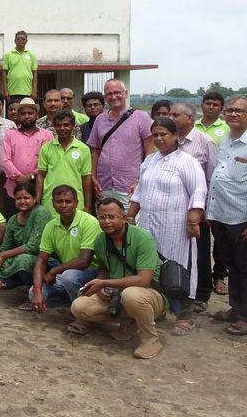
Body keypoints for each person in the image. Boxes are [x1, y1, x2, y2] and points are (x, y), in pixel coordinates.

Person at [127, 117, 206, 336]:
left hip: (176, 227)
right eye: (155, 135)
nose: (159, 139)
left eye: (164, 134)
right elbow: (140, 190)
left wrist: (193, 220)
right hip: (149, 224)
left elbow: (199, 191)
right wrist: (130, 215)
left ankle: (185, 315)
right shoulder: (150, 160)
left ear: (176, 136)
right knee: (152, 265)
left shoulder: (187, 161)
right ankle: (158, 307)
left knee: (180, 267)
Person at [70, 198, 167, 359]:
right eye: (102, 217)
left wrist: (104, 282)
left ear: (124, 217)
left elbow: (144, 280)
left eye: (111, 217)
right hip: (117, 294)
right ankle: (129, 322)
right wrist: (101, 287)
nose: (107, 221)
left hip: (149, 295)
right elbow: (103, 268)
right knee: (78, 307)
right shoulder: (101, 239)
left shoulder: (142, 238)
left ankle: (151, 339)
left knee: (131, 295)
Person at [206, 97, 247, 335]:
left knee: (246, 267)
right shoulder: (225, 140)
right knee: (230, 264)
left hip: (244, 217)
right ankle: (236, 308)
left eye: (239, 111)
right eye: (230, 110)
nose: (233, 114)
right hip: (221, 214)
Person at [171, 102, 219, 309]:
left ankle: (201, 294)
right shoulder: (170, 140)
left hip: (197, 208)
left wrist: (205, 209)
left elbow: (213, 177)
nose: (171, 118)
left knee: (199, 252)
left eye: (176, 115)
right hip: (173, 207)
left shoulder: (205, 141)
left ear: (189, 118)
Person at [29, 186, 100, 316]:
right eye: (59, 201)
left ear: (76, 203)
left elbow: (84, 261)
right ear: (53, 203)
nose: (63, 205)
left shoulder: (89, 222)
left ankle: (82, 313)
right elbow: (41, 259)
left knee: (69, 277)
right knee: (33, 293)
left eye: (68, 201)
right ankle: (74, 303)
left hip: (92, 273)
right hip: (67, 273)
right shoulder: (51, 226)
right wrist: (37, 291)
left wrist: (54, 271)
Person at [88, 78, 154, 207]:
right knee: (105, 218)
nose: (113, 97)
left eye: (117, 92)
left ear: (126, 93)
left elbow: (150, 154)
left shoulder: (141, 117)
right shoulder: (100, 120)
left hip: (130, 187)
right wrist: (93, 177)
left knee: (129, 219)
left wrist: (140, 181)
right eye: (109, 94)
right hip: (103, 185)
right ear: (105, 97)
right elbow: (96, 151)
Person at [0, 180, 52, 298]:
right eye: (18, 198)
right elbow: (5, 247)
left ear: (34, 199)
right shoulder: (13, 220)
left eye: (26, 198)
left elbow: (33, 247)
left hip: (44, 260)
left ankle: (34, 293)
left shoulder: (41, 212)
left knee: (23, 260)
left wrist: (4, 255)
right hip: (21, 258)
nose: (22, 201)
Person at [1, 97, 53, 212]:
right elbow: (5, 160)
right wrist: (19, 177)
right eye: (23, 113)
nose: (27, 116)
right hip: (13, 187)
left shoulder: (47, 135)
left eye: (30, 113)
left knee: (37, 218)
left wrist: (31, 176)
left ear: (37, 115)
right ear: (18, 115)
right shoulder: (9, 134)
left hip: (38, 186)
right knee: (14, 219)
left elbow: (48, 161)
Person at [36, 110, 93, 213]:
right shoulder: (45, 148)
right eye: (59, 125)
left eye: (66, 125)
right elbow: (41, 175)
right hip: (50, 203)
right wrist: (38, 202)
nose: (62, 128)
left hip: (76, 203)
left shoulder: (83, 149)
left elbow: (86, 179)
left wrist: (88, 205)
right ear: (54, 126)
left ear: (73, 126)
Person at [3, 30, 38, 101]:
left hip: (27, 91)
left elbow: (35, 75)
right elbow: (4, 74)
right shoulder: (8, 55)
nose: (20, 40)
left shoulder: (32, 55)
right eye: (18, 39)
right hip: (12, 91)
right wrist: (6, 91)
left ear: (26, 41)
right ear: (15, 41)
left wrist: (34, 91)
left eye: (23, 39)